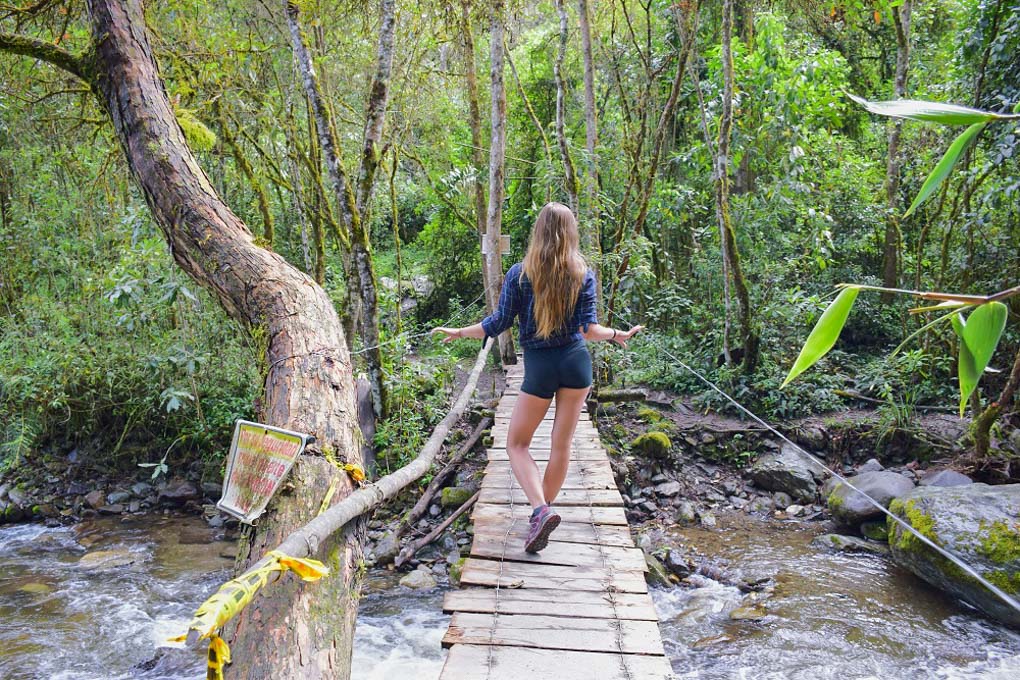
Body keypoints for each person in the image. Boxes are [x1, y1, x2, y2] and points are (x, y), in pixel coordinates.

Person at [434, 202, 642, 553]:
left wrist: (459, 331)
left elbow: (497, 324)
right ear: (571, 232)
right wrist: (616, 334)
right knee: (561, 446)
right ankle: (541, 515)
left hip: (541, 366)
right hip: (577, 364)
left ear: (538, 232)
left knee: (516, 444)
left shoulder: (520, 273)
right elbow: (588, 330)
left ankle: (540, 510)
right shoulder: (582, 273)